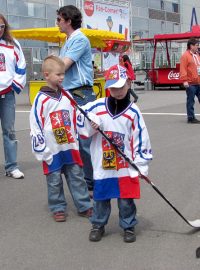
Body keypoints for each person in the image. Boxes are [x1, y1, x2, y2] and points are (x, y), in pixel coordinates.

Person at [77, 64, 152, 242]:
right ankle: (98, 224)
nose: (117, 91)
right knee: (101, 196)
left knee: (126, 198)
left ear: (128, 83)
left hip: (125, 165)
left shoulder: (133, 112)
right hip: (103, 163)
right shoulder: (96, 106)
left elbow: (141, 137)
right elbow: (80, 117)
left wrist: (140, 163)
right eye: (112, 87)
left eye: (120, 87)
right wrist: (91, 121)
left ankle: (128, 225)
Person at [29, 55, 92, 222]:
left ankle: (84, 205)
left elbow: (77, 116)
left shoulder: (67, 96)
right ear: (46, 74)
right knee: (54, 180)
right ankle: (58, 207)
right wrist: (42, 150)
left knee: (77, 177)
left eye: (63, 74)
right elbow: (35, 124)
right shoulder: (41, 99)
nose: (62, 77)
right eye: (58, 74)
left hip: (69, 146)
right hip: (53, 148)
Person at [57, 5, 95, 193]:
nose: (57, 23)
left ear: (68, 21)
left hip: (81, 94)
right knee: (75, 141)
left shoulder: (79, 39)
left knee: (85, 142)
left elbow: (62, 66)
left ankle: (93, 181)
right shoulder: (68, 40)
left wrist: (50, 68)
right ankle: (86, 182)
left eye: (59, 20)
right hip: (71, 94)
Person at [0, 14, 26, 179]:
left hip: (7, 94)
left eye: (2, 26)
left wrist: (15, 85)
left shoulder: (12, 44)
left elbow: (21, 64)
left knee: (9, 131)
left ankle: (11, 166)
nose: (0, 30)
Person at [180, 38, 200, 124]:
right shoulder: (185, 56)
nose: (198, 47)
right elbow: (183, 68)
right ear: (191, 46)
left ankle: (191, 117)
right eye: (196, 45)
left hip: (198, 81)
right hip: (191, 83)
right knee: (190, 101)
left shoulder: (197, 55)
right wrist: (184, 80)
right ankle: (191, 117)